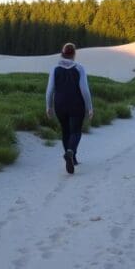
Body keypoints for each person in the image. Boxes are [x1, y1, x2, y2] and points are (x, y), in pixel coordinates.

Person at [45, 42, 93, 174]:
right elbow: (84, 89)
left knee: (65, 131)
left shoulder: (55, 68)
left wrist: (48, 106)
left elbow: (50, 90)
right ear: (74, 54)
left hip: (60, 105)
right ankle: (71, 152)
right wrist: (90, 107)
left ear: (62, 53)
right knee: (76, 131)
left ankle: (71, 157)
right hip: (76, 104)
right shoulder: (79, 68)